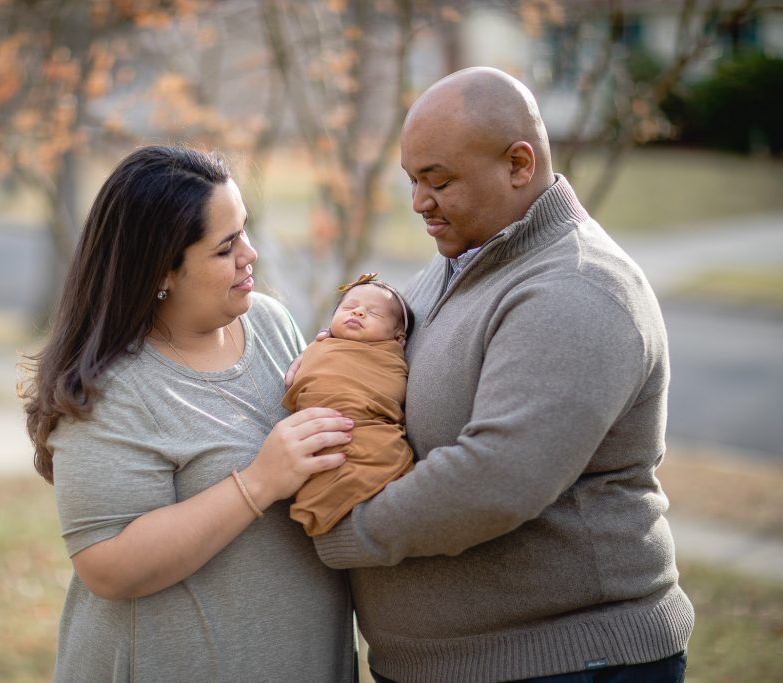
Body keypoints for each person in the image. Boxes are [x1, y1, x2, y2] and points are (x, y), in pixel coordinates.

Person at [294, 67, 694, 682]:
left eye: (439, 180)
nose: (419, 202)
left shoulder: (576, 287)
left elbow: (498, 477)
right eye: (412, 180)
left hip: (565, 662)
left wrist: (347, 532)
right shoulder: (457, 265)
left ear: (518, 164)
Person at [22, 145, 355, 682]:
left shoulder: (271, 324)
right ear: (163, 271)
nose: (250, 254)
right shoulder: (108, 389)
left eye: (244, 230)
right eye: (225, 248)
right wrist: (258, 483)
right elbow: (106, 564)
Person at [284, 273, 415, 536]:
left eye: (373, 313)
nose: (358, 312)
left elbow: (388, 389)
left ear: (398, 338)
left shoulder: (387, 355)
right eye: (348, 307)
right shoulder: (322, 346)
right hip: (317, 430)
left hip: (366, 430)